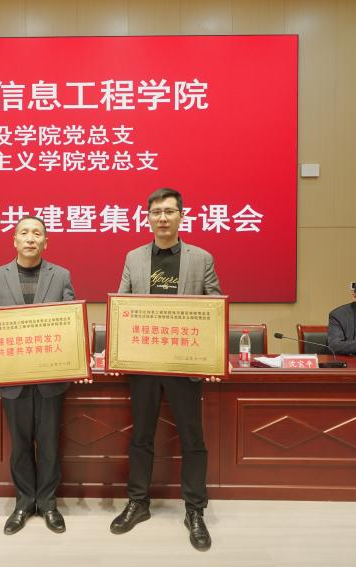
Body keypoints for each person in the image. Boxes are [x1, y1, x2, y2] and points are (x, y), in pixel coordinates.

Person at [109, 188, 221, 552]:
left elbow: (214, 307)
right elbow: (121, 305)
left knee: (193, 438)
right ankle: (138, 502)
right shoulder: (134, 257)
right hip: (143, 364)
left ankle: (195, 510)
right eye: (155, 212)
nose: (162, 218)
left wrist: (215, 356)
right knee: (141, 436)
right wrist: (116, 352)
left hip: (184, 364)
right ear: (148, 217)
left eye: (169, 211)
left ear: (181, 216)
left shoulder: (200, 258)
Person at [0, 216, 77, 536]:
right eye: (24, 233)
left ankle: (48, 504)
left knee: (50, 445)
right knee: (21, 445)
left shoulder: (61, 276)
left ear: (45, 242)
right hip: (12, 379)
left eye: (37, 233)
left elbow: (72, 321)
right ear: (14, 240)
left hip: (51, 378)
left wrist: (78, 361)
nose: (30, 238)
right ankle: (24, 503)